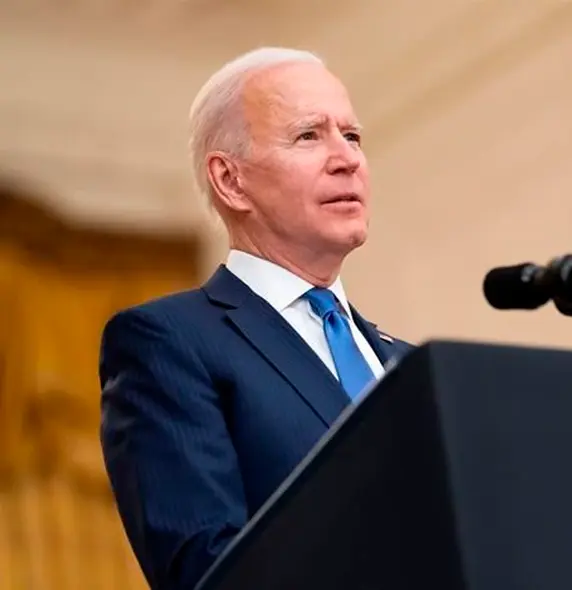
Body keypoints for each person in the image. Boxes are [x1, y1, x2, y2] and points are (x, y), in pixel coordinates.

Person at [99, 47, 413, 590]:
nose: (347, 158)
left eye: (352, 136)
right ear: (231, 180)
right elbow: (206, 569)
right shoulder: (170, 342)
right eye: (309, 136)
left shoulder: (409, 365)